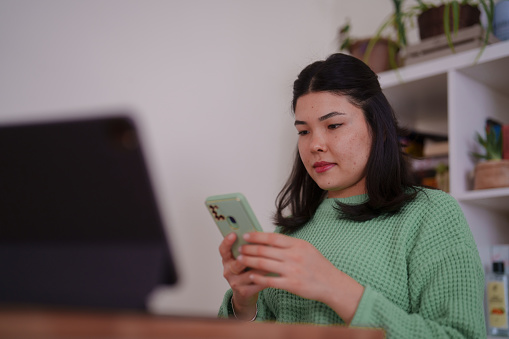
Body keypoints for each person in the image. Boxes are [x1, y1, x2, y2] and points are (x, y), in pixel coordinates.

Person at [217, 53, 486, 338]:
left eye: (333, 125)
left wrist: (333, 286)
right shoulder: (291, 229)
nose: (315, 145)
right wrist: (244, 305)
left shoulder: (431, 213)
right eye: (304, 131)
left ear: (378, 127)